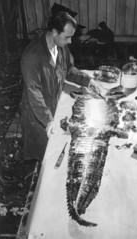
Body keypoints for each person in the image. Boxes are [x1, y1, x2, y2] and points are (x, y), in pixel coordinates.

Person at [21, 11, 104, 162]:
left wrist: (88, 81)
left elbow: (69, 69)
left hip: (54, 105)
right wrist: (47, 120)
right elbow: (34, 92)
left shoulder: (61, 47)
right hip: (38, 114)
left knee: (59, 149)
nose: (70, 41)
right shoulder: (32, 56)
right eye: (67, 37)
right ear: (54, 32)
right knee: (47, 156)